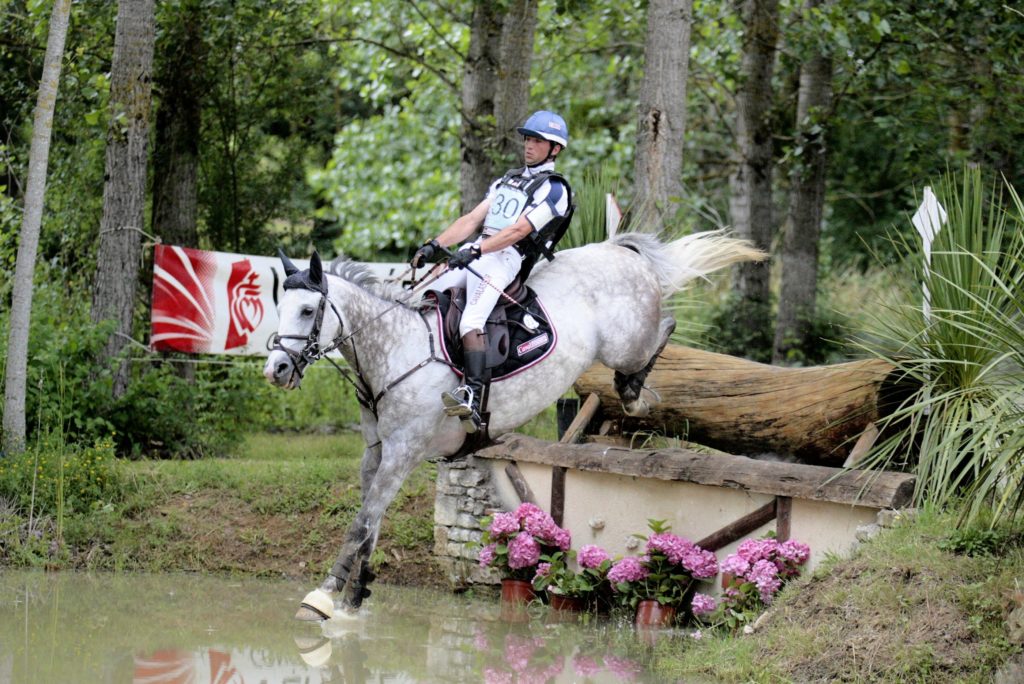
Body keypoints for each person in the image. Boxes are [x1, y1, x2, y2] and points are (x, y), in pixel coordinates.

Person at [410, 110, 572, 434]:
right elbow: (471, 220)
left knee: (471, 320)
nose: (528, 145)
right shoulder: (507, 180)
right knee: (424, 296)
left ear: (554, 149)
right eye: (527, 138)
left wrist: (477, 249)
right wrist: (435, 245)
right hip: (481, 251)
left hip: (505, 259)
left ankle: (472, 396)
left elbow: (518, 231)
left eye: (537, 141)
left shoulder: (555, 190)